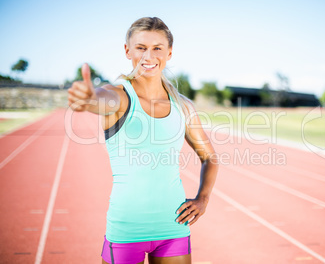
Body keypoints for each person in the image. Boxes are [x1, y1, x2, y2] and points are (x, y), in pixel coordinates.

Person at [67, 17, 219, 264]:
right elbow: (99, 99)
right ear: (128, 51)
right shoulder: (118, 97)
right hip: (126, 230)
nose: (149, 56)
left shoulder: (183, 106)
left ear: (169, 52)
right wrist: (88, 98)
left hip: (173, 228)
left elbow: (210, 158)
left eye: (157, 48)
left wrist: (203, 198)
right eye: (141, 48)